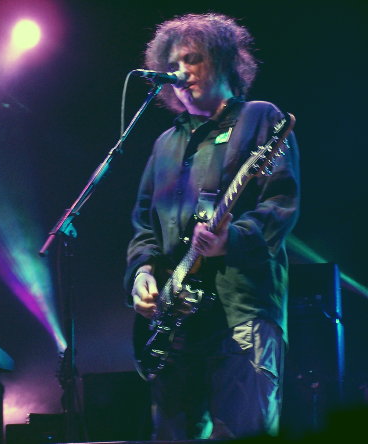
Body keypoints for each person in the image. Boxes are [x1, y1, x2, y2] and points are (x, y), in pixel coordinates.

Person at [125, 13, 300, 440]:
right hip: (177, 322)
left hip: (241, 310)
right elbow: (144, 225)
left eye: (193, 59)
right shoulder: (165, 144)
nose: (181, 72)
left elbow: (281, 203)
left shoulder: (259, 118)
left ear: (222, 62)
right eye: (173, 65)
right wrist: (142, 273)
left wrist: (231, 239)